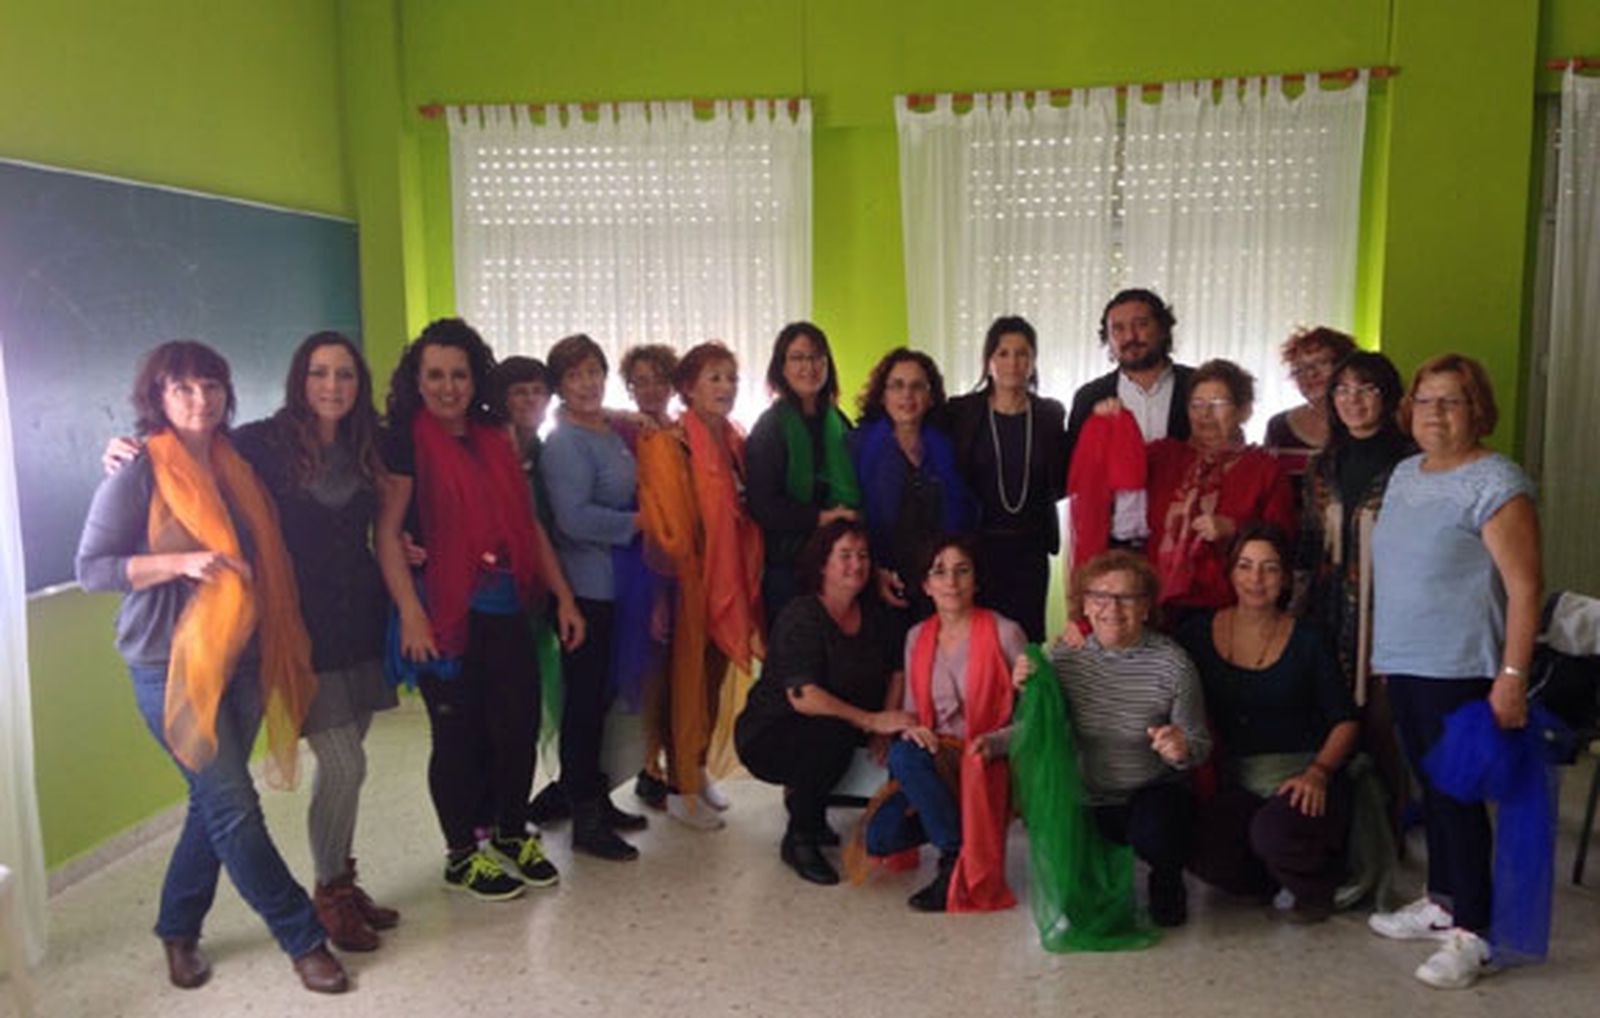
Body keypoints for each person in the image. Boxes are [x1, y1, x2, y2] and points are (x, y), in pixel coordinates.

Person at [100, 332, 404, 953]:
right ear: (299, 380)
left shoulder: (365, 442)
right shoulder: (261, 444)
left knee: (274, 789)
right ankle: (315, 915)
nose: (332, 386)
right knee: (328, 769)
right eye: (319, 372)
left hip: (352, 622)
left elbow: (389, 514)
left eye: (345, 374)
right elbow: (178, 460)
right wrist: (119, 450)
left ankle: (206, 920)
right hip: (285, 632)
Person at [375, 318, 584, 901]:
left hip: (505, 605)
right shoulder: (404, 441)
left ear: (475, 379)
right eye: (435, 375)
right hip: (442, 613)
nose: (448, 388)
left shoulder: (496, 433)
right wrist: (411, 615)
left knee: (517, 727)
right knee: (457, 737)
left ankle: (512, 833)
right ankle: (461, 854)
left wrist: (564, 596)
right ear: (417, 380)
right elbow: (387, 533)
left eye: (459, 375)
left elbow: (527, 523)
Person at [1367, 353, 1541, 990]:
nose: (1435, 413)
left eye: (1452, 401)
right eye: (1425, 400)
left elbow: (1525, 588)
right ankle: (1442, 902)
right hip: (1405, 660)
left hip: (1462, 666)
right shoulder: (1405, 473)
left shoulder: (1496, 481)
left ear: (1477, 410)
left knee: (1459, 797)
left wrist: (1513, 674)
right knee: (1431, 790)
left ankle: (1475, 932)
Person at [1009, 550, 1209, 926]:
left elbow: (1199, 743)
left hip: (1150, 792)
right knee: (1082, 911)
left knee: (1159, 830)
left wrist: (1180, 748)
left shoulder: (1173, 664)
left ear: (1146, 607)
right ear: (1084, 606)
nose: (1112, 608)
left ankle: (1166, 878)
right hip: (1088, 798)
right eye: (1100, 596)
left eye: (1127, 598)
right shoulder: (1064, 659)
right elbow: (1038, 728)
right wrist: (1025, 691)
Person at [1178, 523, 1359, 925]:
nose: (1255, 579)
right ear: (1230, 572)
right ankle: (1268, 879)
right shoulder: (1197, 634)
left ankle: (1317, 888)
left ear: (1287, 578)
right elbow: (1151, 657)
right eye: (1245, 566)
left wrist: (1318, 773)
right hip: (1241, 779)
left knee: (1274, 832)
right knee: (1197, 845)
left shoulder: (1310, 639)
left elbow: (1345, 721)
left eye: (1270, 568)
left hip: (1306, 775)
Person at [525, 334, 650, 860]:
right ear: (559, 386)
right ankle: (585, 819)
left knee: (601, 703)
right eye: (574, 375)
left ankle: (591, 795)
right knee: (584, 706)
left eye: (593, 371)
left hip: (615, 583)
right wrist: (640, 522)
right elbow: (573, 520)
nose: (587, 383)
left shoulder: (607, 430)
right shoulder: (564, 443)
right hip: (584, 590)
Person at [736, 520, 912, 885]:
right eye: (844, 555)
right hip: (770, 731)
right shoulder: (801, 615)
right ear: (822, 565)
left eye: (862, 555)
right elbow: (803, 695)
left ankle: (818, 816)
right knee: (827, 736)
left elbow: (898, 668)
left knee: (848, 734)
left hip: (841, 722)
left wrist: (884, 723)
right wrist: (870, 720)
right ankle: (799, 837)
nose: (856, 564)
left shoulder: (875, 614)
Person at [636, 341, 765, 829]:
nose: (725, 387)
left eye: (731, 378)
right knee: (683, 686)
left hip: (728, 580)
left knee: (711, 679)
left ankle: (698, 765)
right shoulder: (670, 443)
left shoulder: (733, 440)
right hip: (686, 585)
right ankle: (678, 786)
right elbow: (665, 527)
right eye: (714, 378)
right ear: (688, 388)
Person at [863, 535, 1024, 911]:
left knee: (903, 757)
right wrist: (912, 728)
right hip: (937, 758)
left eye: (961, 571)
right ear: (925, 584)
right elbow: (912, 712)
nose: (951, 582)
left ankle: (952, 858)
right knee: (879, 838)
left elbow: (1033, 718)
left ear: (975, 580)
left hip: (986, 757)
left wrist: (996, 743)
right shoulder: (916, 636)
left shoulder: (1005, 632)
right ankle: (958, 832)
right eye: (939, 572)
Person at [1298, 351, 1413, 839]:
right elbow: (1308, 542)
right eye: (1343, 390)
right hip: (1327, 610)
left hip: (1391, 613)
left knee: (1385, 727)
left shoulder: (1413, 465)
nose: (1354, 400)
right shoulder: (1322, 465)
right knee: (1332, 718)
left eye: (1366, 389)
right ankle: (1343, 834)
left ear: (1388, 397)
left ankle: (1392, 831)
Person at [939, 316, 1067, 641]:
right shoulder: (961, 412)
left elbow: (1063, 477)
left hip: (1030, 550)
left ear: (1033, 361)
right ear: (988, 360)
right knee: (979, 641)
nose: (1013, 363)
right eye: (1003, 353)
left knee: (1026, 642)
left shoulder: (1050, 415)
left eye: (1022, 353)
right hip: (976, 548)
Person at [1145, 358, 1295, 630]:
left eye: (1217, 404)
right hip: (1159, 606)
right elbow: (1112, 460)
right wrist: (1110, 416)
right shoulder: (1164, 456)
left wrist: (1235, 529)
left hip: (1232, 608)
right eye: (1196, 404)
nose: (1204, 414)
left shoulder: (1264, 468)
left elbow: (1282, 542)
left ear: (1244, 410)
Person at [849, 347, 977, 628]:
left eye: (917, 386)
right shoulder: (857, 446)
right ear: (882, 395)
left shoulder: (948, 447)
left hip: (938, 587)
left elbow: (963, 514)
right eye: (897, 385)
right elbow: (850, 519)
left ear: (930, 397)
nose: (907, 395)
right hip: (880, 581)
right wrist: (874, 570)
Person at [747, 321, 861, 625]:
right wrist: (821, 518)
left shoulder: (839, 421)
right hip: (788, 566)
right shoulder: (770, 427)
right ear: (781, 367)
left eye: (816, 357)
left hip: (839, 562)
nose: (808, 367)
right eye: (797, 358)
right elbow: (762, 505)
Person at [1065, 289, 1195, 553]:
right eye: (1118, 329)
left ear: (1163, 328)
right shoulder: (1090, 397)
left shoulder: (1195, 387)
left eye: (1141, 324)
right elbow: (1078, 478)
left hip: (1181, 542)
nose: (1130, 337)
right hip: (1111, 545)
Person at [1263, 326, 1358, 485]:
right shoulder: (1278, 427)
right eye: (1300, 369)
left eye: (1321, 363)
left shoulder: (1366, 421)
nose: (1311, 374)